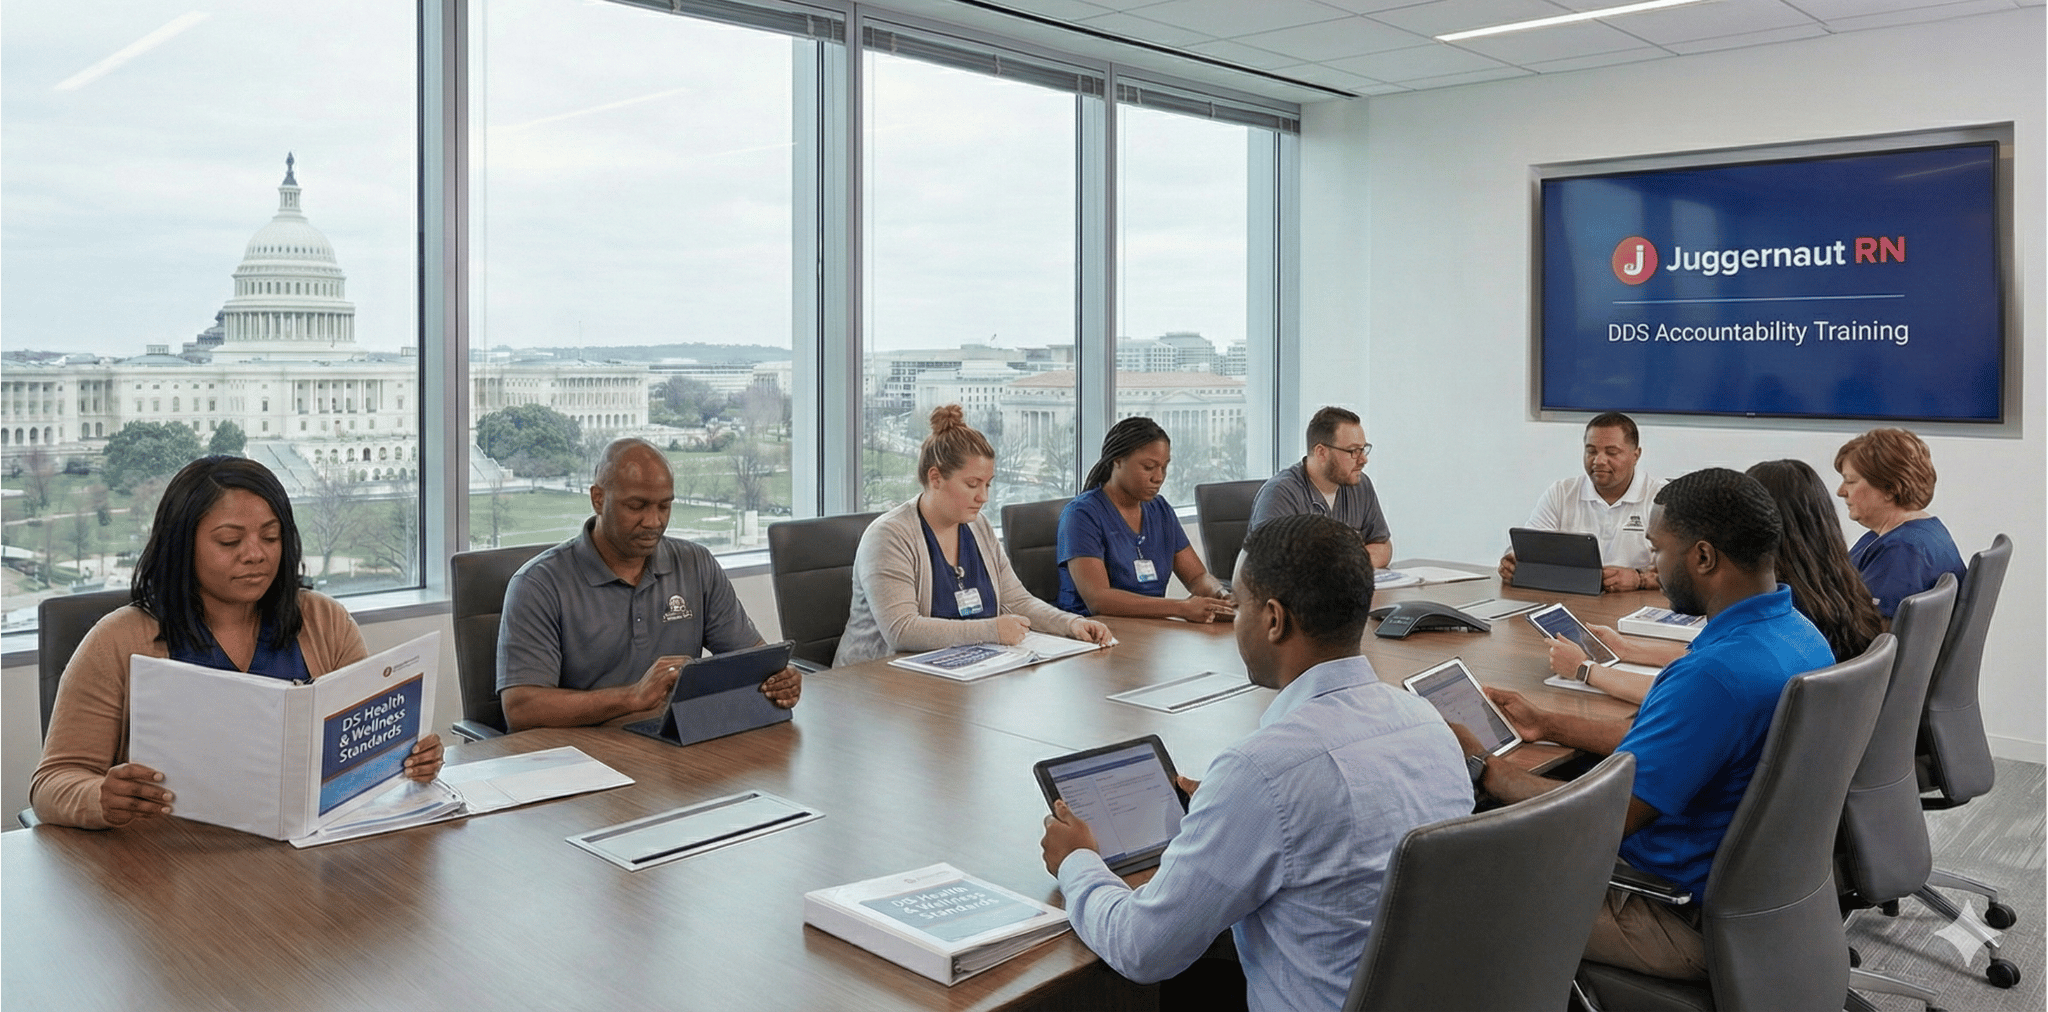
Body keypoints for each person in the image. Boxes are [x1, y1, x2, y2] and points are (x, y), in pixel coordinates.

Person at [1039, 514, 1470, 1011]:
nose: (1233, 617)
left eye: (1238, 603)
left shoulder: (1264, 773)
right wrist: (1232, 808)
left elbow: (1142, 949)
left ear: (1273, 619)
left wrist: (1076, 862)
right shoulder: (1427, 722)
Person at [1457, 468, 1833, 981]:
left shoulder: (1714, 677)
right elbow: (1679, 742)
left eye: (1657, 549)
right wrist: (1548, 723)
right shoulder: (1798, 635)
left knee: (1444, 881)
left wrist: (1485, 769)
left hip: (1670, 909)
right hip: (1767, 903)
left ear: (1702, 557)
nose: (1653, 563)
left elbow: (1600, 822)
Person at [30, 456, 444, 829]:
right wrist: (102, 797)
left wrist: (406, 759)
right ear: (182, 546)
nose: (255, 554)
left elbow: (359, 749)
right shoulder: (118, 639)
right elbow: (52, 783)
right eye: (230, 541)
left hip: (300, 852)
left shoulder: (325, 621)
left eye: (270, 537)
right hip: (166, 863)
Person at [497, 437, 801, 730]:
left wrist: (780, 678)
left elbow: (752, 661)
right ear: (598, 499)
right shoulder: (538, 584)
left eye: (664, 506)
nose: (654, 521)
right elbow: (521, 708)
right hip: (582, 754)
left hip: (675, 742)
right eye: (636, 506)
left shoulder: (695, 564)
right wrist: (632, 697)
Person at [1549, 458, 1883, 703]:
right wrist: (1627, 649)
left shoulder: (1793, 611)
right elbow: (1712, 663)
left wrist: (1587, 670)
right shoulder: (1821, 594)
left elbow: (1704, 685)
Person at [835, 406, 1111, 666]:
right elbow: (902, 630)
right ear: (935, 478)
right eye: (972, 484)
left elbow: (1016, 601)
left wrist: (1071, 624)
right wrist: (992, 630)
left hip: (961, 672)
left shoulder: (978, 526)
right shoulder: (889, 536)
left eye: (988, 484)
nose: (983, 497)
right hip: (876, 683)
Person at [1055, 416, 1234, 622]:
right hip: (1092, 634)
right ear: (1118, 460)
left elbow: (1197, 577)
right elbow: (1099, 600)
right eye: (1149, 467)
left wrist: (1220, 593)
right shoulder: (1081, 515)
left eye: (1164, 467)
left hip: (1149, 634)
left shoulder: (1161, 510)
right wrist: (1181, 608)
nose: (1158, 477)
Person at [1498, 411, 1665, 592]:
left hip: (1636, 605)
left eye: (1612, 452)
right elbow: (1530, 548)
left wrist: (1639, 579)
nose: (1599, 461)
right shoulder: (1561, 493)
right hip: (1571, 599)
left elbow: (1688, 573)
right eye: (1591, 451)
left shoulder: (1662, 498)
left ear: (1636, 455)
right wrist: (1514, 562)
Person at [1835, 427, 1967, 619]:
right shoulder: (1924, 533)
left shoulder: (1901, 551)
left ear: (1890, 488)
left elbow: (1872, 634)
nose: (1841, 491)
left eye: (1851, 481)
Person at [1247, 406, 1392, 569]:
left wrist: (1347, 567)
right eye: (1353, 451)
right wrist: (1341, 568)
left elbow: (1382, 545)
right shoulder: (1280, 494)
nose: (1363, 459)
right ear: (1321, 453)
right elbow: (1271, 565)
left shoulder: (1360, 485)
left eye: (1363, 449)